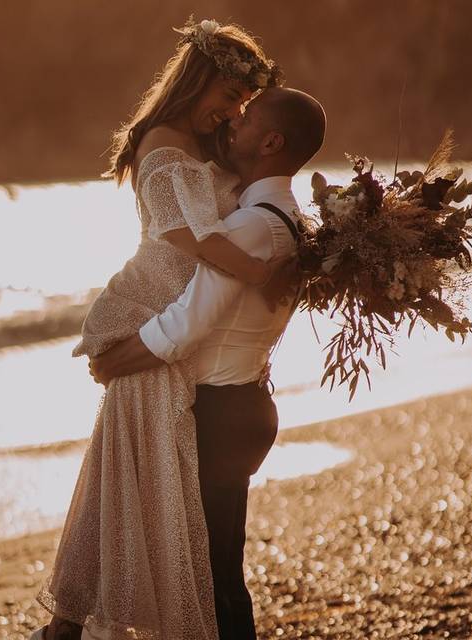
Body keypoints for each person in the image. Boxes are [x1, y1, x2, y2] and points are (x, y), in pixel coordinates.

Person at [31, 18, 288, 640]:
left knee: (130, 492)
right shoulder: (164, 142)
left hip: (179, 333)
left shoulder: (207, 145)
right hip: (148, 308)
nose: (233, 113)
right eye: (228, 97)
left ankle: (66, 632)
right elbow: (191, 239)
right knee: (132, 493)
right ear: (198, 81)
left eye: (243, 104)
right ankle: (72, 629)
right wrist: (258, 268)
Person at [89, 86, 326, 640]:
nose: (233, 125)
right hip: (246, 403)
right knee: (218, 571)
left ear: (270, 142)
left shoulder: (250, 227)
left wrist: (115, 359)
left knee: (212, 581)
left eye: (247, 119)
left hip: (220, 413)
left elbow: (189, 323)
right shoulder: (283, 215)